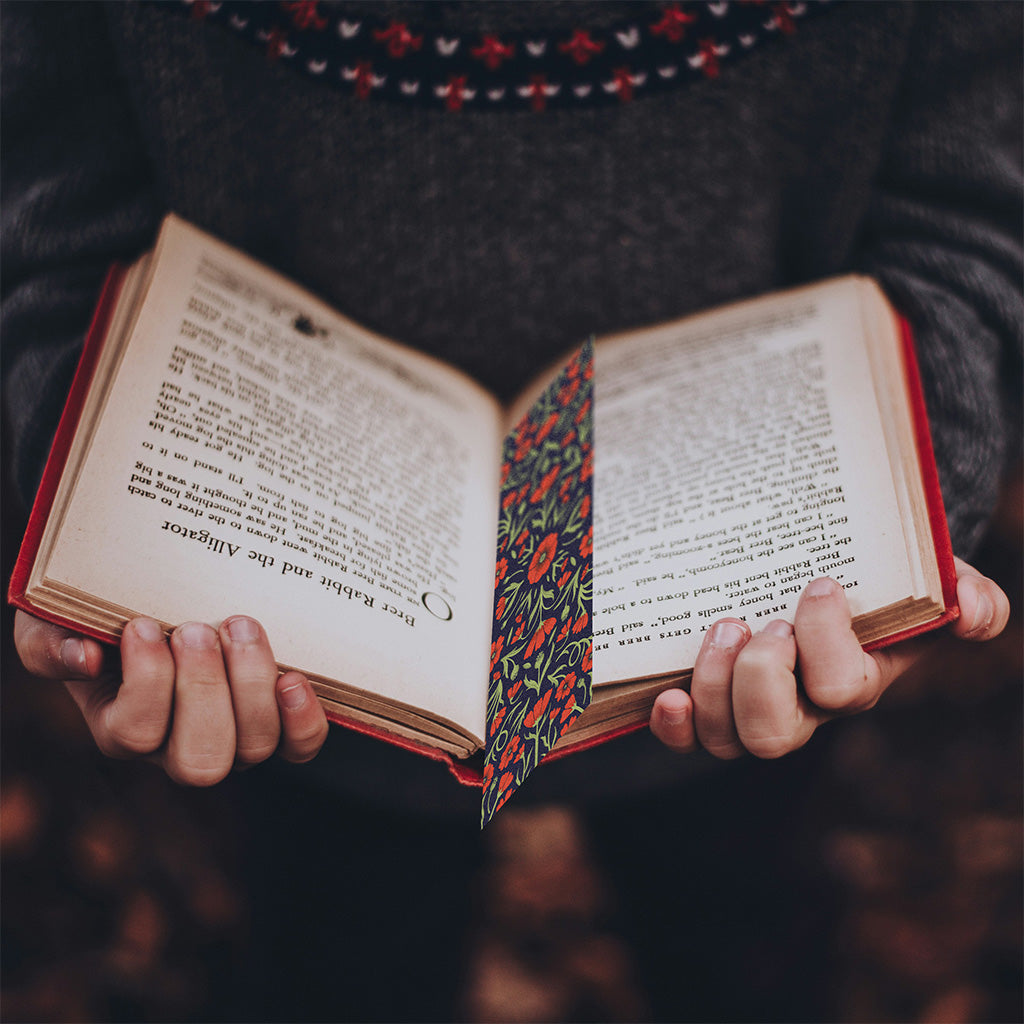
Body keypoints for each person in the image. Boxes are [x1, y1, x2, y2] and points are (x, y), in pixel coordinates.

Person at [5, 0, 1018, 793]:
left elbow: (957, 199)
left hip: (746, 665)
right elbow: (53, 202)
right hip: (288, 682)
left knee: (739, 934)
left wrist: (910, 526)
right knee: (338, 963)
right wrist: (92, 543)